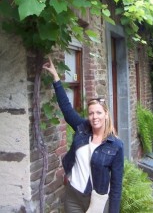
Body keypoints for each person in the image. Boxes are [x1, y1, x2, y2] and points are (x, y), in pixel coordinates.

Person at [42, 58, 124, 213]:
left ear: (106, 114)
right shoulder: (82, 129)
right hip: (73, 196)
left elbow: (116, 185)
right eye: (91, 113)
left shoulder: (116, 146)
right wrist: (56, 78)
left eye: (99, 112)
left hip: (95, 201)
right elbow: (66, 108)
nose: (94, 117)